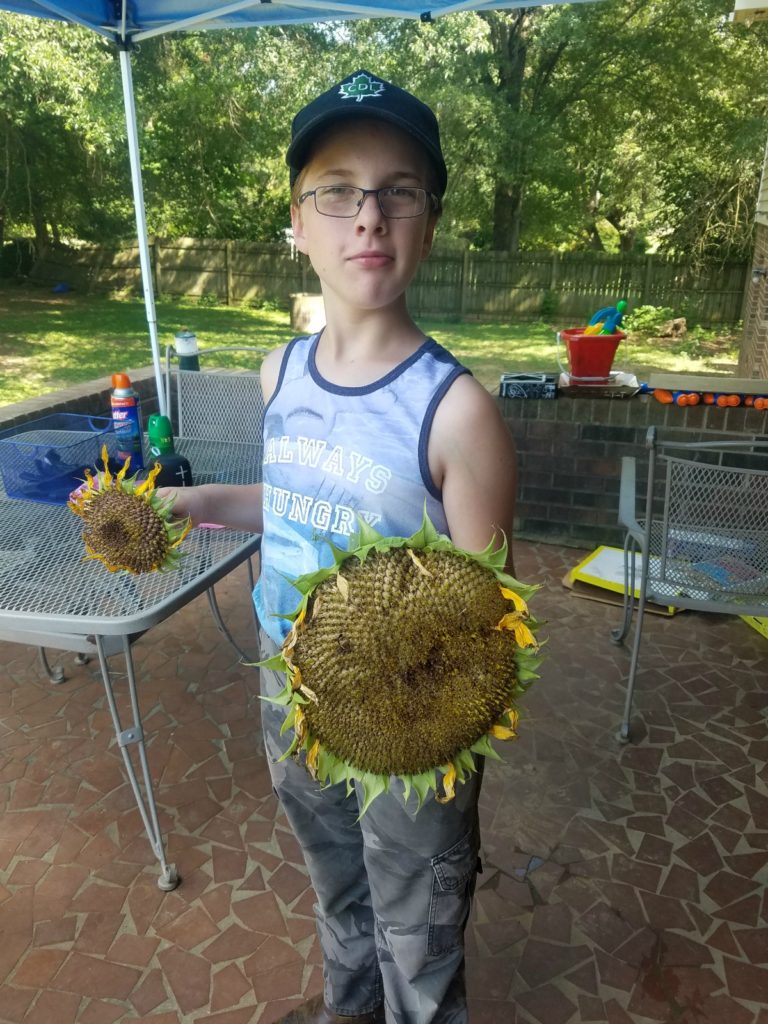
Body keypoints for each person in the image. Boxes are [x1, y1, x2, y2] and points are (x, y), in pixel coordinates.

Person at [165, 69, 518, 1024]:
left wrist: (403, 697)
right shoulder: (279, 370)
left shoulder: (458, 414)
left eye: (398, 189)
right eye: (336, 190)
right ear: (298, 222)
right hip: (291, 702)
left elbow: (494, 633)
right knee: (340, 897)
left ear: (429, 221)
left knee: (418, 926)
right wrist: (195, 501)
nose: (368, 215)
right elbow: (293, 505)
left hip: (409, 742)